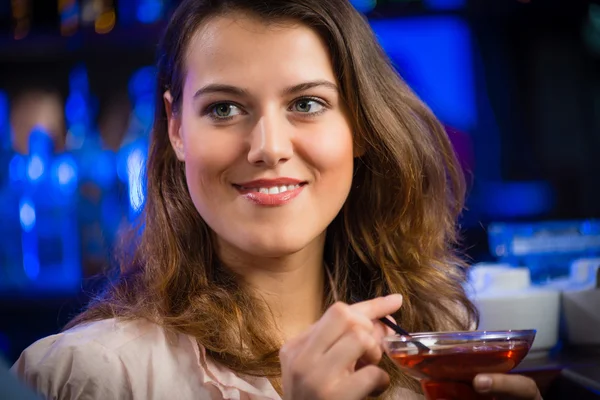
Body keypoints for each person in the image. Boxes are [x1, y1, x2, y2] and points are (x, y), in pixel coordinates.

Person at [12, 0, 543, 399]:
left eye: (307, 103)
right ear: (175, 127)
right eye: (224, 109)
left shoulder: (441, 339)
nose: (268, 148)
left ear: (358, 126)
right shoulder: (85, 376)